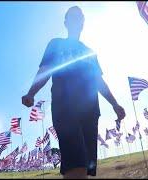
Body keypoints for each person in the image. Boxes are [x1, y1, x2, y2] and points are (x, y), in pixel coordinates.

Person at [22, 6, 125, 179]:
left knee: (84, 166)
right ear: (66, 22)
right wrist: (31, 92)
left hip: (90, 111)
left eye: (80, 17)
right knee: (75, 163)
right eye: (73, 16)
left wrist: (115, 104)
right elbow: (45, 69)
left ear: (83, 23)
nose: (78, 19)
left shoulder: (90, 53)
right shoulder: (56, 44)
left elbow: (98, 81)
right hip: (65, 107)